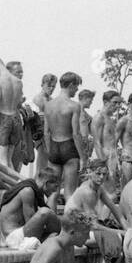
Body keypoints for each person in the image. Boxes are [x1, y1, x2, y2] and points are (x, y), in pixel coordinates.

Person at [65, 161, 127, 263]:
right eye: (98, 173)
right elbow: (92, 225)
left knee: (127, 240)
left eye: (104, 174)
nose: (101, 177)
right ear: (89, 173)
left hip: (88, 229)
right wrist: (120, 231)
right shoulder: (86, 191)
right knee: (114, 238)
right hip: (75, 233)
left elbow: (115, 210)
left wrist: (129, 230)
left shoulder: (99, 189)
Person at [44, 72, 86, 206]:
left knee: (53, 192)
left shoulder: (48, 105)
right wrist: (83, 157)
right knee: (69, 193)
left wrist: (50, 152)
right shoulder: (74, 106)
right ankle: (70, 226)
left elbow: (46, 132)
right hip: (68, 147)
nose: (77, 90)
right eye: (76, 87)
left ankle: (51, 226)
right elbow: (76, 134)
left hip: (54, 148)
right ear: (71, 85)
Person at [0, 59, 26, 170]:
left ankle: (11, 185)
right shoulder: (19, 83)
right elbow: (18, 104)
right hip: (15, 119)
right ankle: (13, 184)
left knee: (1, 158)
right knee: (9, 159)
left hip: (4, 118)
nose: (21, 74)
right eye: (19, 72)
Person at [92, 90, 123, 187]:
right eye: (115, 102)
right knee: (102, 187)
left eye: (119, 103)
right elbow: (96, 142)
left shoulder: (109, 118)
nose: (118, 106)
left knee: (110, 188)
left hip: (112, 156)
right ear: (105, 102)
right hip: (103, 156)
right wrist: (101, 163)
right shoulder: (99, 117)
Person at [31, 73, 57, 185]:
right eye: (49, 86)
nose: (51, 89)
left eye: (53, 87)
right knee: (41, 163)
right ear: (43, 84)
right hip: (41, 131)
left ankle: (41, 186)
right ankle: (36, 186)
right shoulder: (39, 98)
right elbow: (47, 111)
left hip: (51, 131)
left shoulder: (51, 99)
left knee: (47, 164)